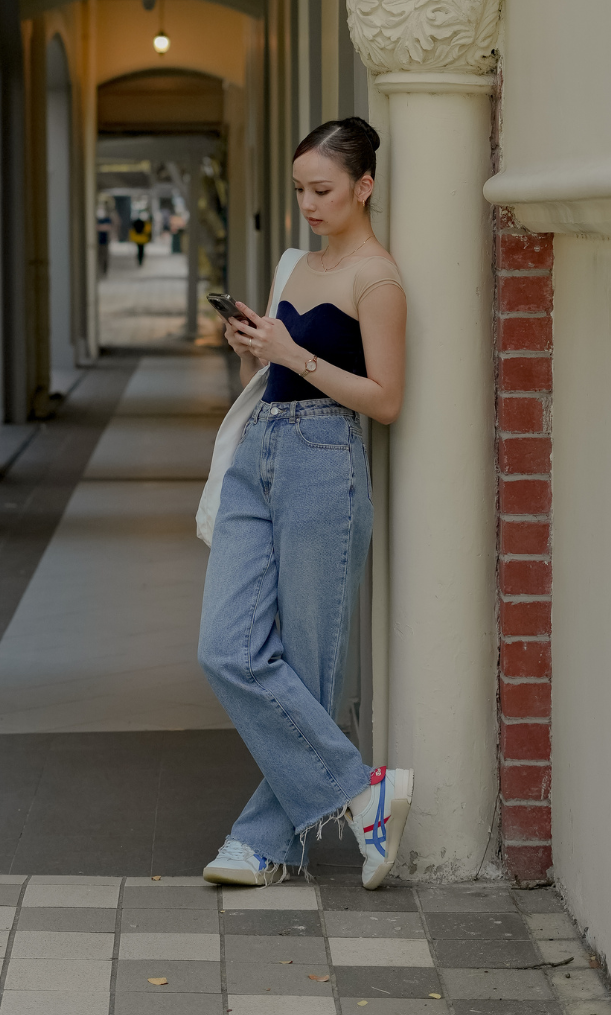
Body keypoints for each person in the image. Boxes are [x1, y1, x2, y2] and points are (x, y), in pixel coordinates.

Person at [197, 117, 413, 891]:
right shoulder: (297, 266)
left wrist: (296, 354)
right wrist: (260, 345)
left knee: (308, 665)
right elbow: (282, 369)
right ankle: (361, 789)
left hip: (326, 461)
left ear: (365, 185)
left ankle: (264, 842)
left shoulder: (377, 280)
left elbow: (384, 400)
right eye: (300, 190)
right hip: (261, 452)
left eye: (322, 190)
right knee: (225, 648)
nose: (309, 204)